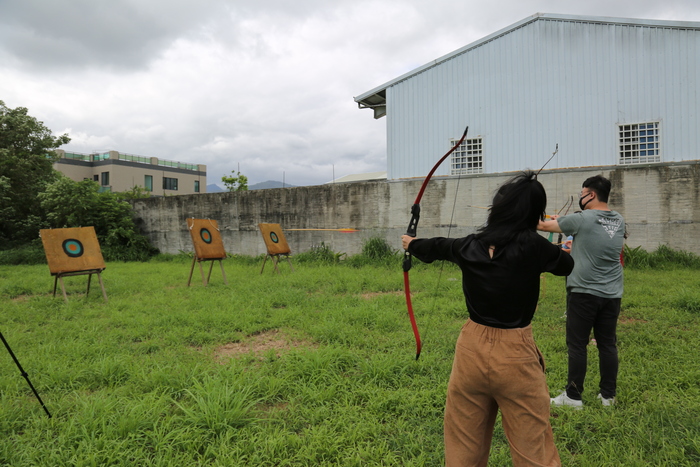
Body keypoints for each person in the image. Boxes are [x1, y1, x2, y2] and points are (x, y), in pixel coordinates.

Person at [402, 171, 573, 467]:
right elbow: (566, 264)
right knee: (534, 451)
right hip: (515, 355)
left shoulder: (468, 245)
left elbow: (436, 246)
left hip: (471, 350)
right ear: (533, 214)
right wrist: (555, 232)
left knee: (463, 447)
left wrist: (411, 243)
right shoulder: (535, 247)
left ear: (497, 210)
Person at [538, 175, 625, 408]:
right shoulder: (618, 220)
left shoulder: (582, 218)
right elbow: (593, 241)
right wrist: (565, 222)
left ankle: (573, 397)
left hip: (584, 292)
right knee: (607, 344)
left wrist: (519, 213)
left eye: (582, 193)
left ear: (591, 194)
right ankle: (608, 396)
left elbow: (543, 225)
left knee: (577, 344)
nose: (580, 197)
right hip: (612, 294)